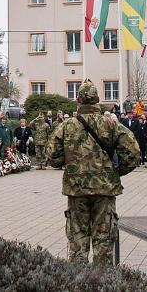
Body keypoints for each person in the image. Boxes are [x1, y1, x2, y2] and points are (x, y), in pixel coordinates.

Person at [46, 80, 140, 266]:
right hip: (104, 190)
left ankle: (78, 278)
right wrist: (115, 172)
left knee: (78, 243)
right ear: (97, 100)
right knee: (103, 242)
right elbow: (133, 153)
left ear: (78, 100)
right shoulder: (111, 124)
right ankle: (102, 278)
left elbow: (52, 157)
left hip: (77, 190)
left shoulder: (66, 126)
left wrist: (71, 163)